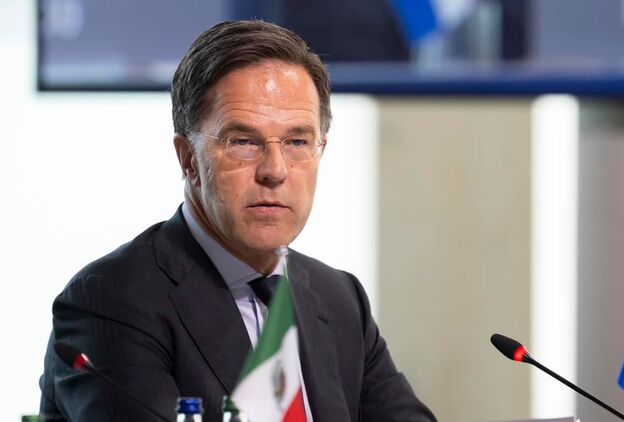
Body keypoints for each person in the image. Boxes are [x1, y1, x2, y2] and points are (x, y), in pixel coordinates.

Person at [39, 20, 435, 422]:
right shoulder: (111, 299)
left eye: (297, 142)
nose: (275, 170)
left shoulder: (339, 299)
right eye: (243, 142)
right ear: (188, 159)